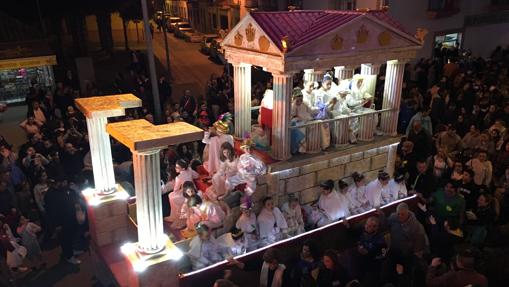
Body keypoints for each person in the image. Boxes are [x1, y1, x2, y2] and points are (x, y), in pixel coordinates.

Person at [168, 160, 199, 226]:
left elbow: (175, 189)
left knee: (171, 196)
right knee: (172, 195)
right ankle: (176, 215)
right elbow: (197, 176)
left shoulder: (178, 177)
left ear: (183, 168)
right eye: (176, 167)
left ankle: (175, 216)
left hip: (186, 192)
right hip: (193, 189)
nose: (175, 168)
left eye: (177, 167)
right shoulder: (190, 170)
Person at [290, 88, 313, 154]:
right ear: (294, 99)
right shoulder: (292, 105)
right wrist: (294, 105)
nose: (299, 102)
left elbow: (310, 111)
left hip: (306, 120)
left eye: (301, 100)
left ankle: (306, 147)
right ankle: (299, 149)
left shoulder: (304, 104)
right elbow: (292, 116)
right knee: (301, 127)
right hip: (296, 122)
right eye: (298, 100)